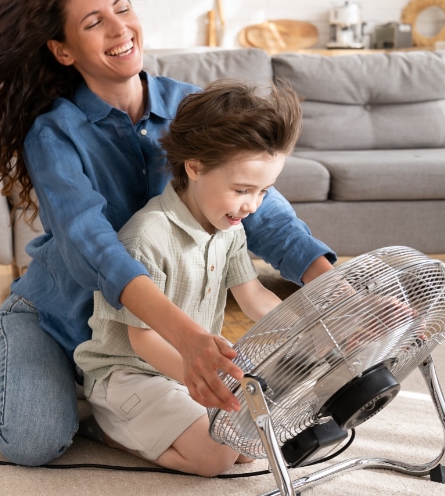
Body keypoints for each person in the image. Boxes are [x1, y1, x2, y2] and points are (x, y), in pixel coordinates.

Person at [0, 0, 335, 467]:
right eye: (94, 21)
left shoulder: (187, 104)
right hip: (59, 321)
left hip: (138, 345)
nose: (120, 28)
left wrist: (337, 293)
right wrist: (187, 340)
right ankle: (53, 391)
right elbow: (91, 243)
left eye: (122, 9)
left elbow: (262, 209)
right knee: (35, 440)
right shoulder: (54, 131)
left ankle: (107, 410)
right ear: (62, 49)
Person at [74, 78, 300, 477]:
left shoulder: (229, 227)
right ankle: (107, 428)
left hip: (187, 368)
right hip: (128, 374)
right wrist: (205, 383)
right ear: (195, 167)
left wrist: (306, 328)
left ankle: (173, 421)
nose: (253, 205)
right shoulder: (147, 237)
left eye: (264, 191)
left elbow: (253, 297)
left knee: (251, 446)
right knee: (215, 457)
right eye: (243, 189)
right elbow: (142, 340)